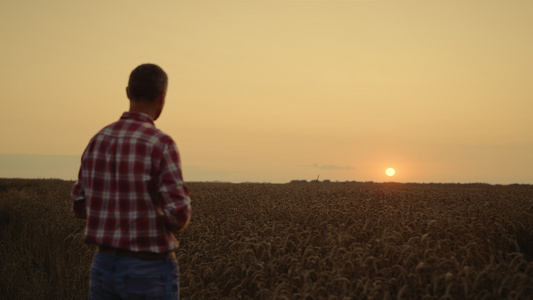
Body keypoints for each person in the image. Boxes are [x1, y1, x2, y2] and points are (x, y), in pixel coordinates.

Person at [71, 63, 192, 299]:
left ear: (128, 92)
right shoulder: (161, 144)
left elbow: (79, 206)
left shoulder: (98, 140)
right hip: (149, 271)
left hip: (103, 266)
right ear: (162, 96)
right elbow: (179, 216)